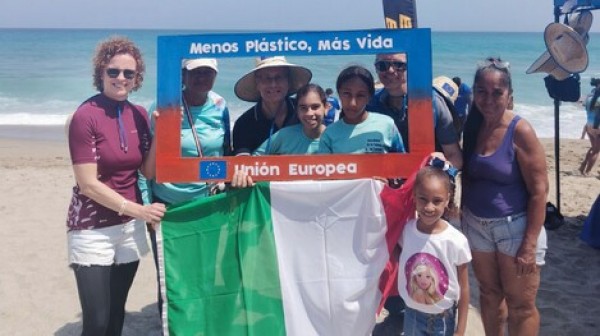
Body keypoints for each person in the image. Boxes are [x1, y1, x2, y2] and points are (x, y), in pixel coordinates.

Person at [66, 36, 166, 336]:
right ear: (101, 73)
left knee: (115, 315)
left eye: (128, 73)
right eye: (113, 71)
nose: (120, 78)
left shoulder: (137, 114)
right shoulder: (85, 116)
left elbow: (147, 170)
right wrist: (139, 209)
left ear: (137, 79)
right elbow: (87, 185)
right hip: (91, 230)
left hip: (129, 228)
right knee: (96, 322)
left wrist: (159, 133)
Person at [461, 57, 548, 336]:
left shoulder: (520, 131)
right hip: (477, 227)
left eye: (497, 92)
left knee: (520, 305)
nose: (488, 99)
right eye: (481, 92)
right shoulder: (473, 127)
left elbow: (539, 192)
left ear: (509, 95)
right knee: (488, 295)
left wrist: (529, 244)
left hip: (516, 228)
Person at [398, 162, 471, 336]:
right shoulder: (406, 231)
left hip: (443, 320)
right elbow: (396, 254)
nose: (429, 207)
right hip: (411, 316)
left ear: (447, 199)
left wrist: (460, 329)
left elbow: (464, 287)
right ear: (414, 197)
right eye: (423, 199)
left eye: (437, 201)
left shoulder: (456, 240)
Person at [367, 53, 462, 169]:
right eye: (382, 65)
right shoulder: (370, 105)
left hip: (423, 179)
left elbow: (454, 155)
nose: (390, 70)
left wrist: (443, 171)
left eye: (399, 65)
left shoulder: (432, 102)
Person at [232, 56, 312, 155]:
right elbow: (242, 163)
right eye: (267, 78)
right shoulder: (244, 123)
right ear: (257, 83)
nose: (273, 84)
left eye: (279, 77)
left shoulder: (306, 112)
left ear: (288, 81)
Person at [318, 65, 405, 154]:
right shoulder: (329, 134)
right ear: (339, 94)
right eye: (347, 94)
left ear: (369, 97)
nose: (353, 103)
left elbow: (403, 162)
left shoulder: (387, 125)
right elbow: (324, 166)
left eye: (360, 95)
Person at [254, 83, 329, 155]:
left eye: (315, 107)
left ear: (326, 108)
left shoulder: (334, 137)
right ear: (297, 110)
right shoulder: (284, 135)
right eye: (303, 108)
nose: (309, 113)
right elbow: (255, 159)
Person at [579, 77, 600, 175]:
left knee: (593, 148)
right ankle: (587, 172)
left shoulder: (589, 98)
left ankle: (583, 166)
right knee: (596, 150)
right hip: (597, 127)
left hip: (588, 126)